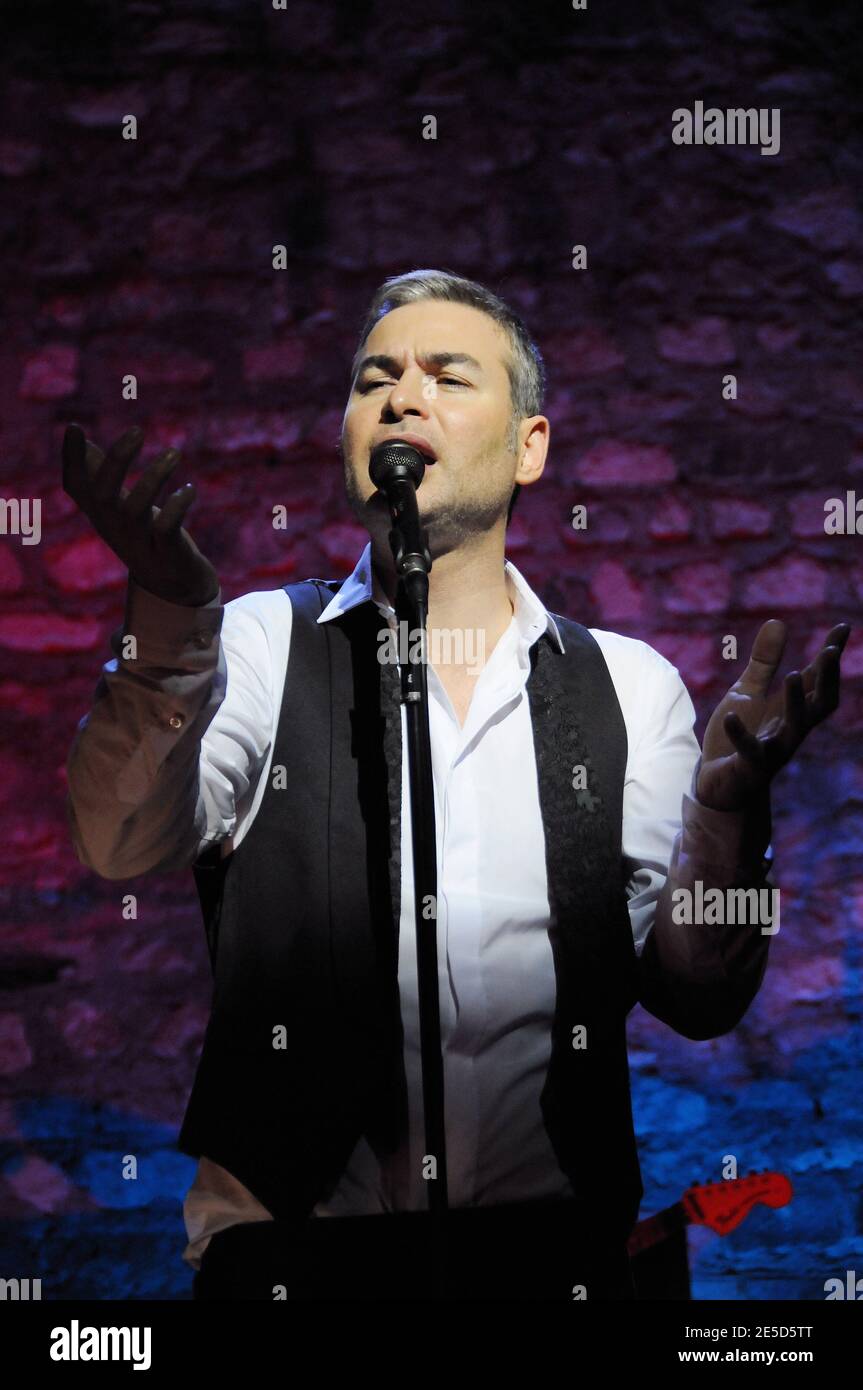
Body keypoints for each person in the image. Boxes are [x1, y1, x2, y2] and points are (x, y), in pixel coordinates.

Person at [62, 269, 849, 1302]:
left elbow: (699, 993)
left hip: (553, 1264)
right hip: (298, 1267)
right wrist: (167, 620)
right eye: (373, 377)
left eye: (447, 375)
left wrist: (726, 809)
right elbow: (119, 838)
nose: (400, 396)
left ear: (529, 447)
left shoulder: (624, 685)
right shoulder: (260, 640)